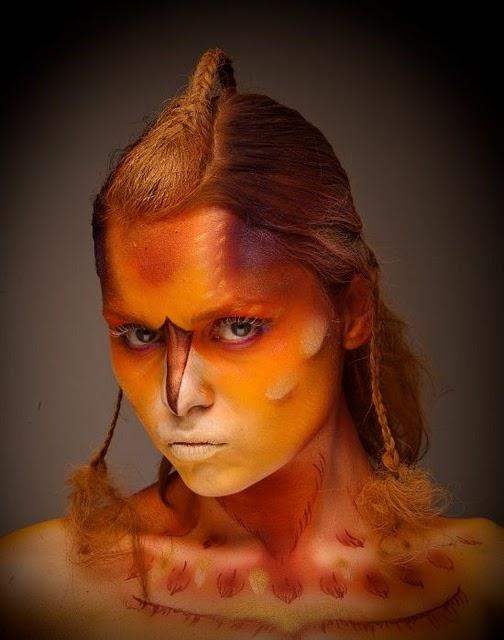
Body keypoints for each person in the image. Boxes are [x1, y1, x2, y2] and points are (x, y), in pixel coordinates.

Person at [1, 47, 502, 640]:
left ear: (352, 311)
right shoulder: (36, 588)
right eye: (139, 334)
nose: (177, 397)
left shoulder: (482, 583)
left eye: (238, 326)